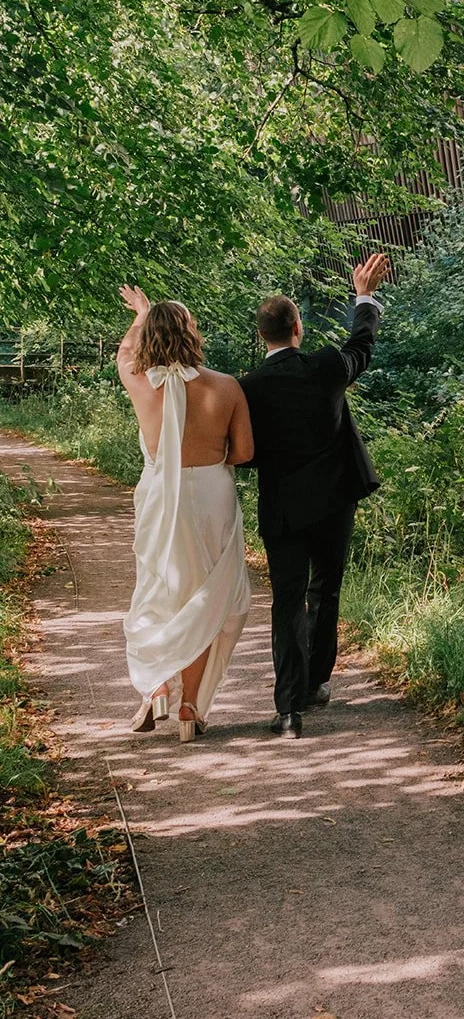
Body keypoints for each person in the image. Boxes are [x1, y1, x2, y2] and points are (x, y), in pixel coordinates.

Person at [240, 254, 389, 739]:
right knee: (324, 588)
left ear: (262, 335)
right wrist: (362, 297)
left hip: (283, 508)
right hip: (333, 501)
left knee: (285, 602)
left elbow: (243, 454)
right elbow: (361, 347)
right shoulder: (326, 367)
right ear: (298, 328)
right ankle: (316, 684)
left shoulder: (248, 388)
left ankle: (288, 711)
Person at [117, 288, 253, 742]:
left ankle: (157, 685)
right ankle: (190, 709)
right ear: (192, 334)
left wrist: (140, 314)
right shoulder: (227, 386)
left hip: (161, 496)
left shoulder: (138, 380)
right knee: (205, 599)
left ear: (151, 338)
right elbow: (246, 452)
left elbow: (125, 350)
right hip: (212, 492)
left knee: (158, 590)